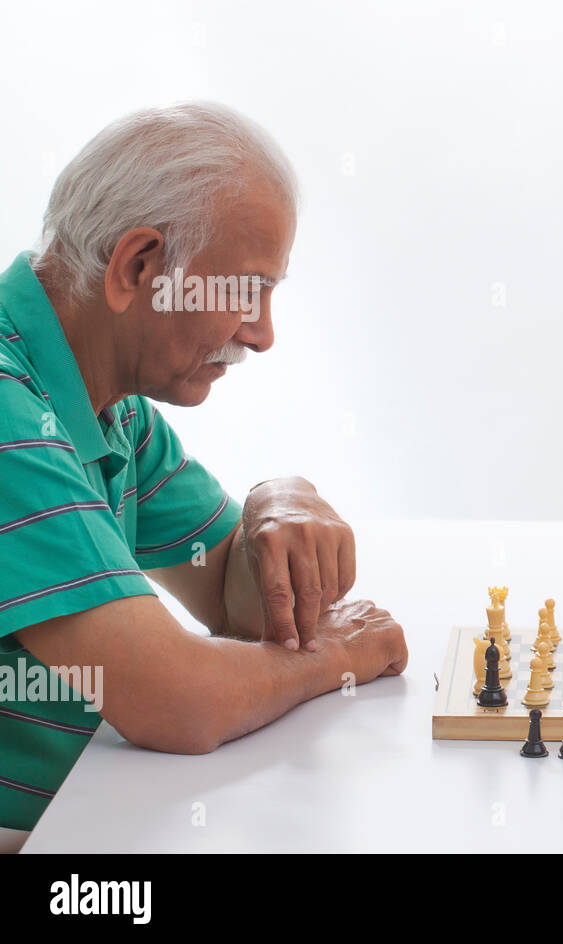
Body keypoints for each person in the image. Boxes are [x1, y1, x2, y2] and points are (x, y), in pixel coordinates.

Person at [0, 103, 407, 852]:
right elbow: (178, 701)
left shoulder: (108, 404)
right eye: (245, 290)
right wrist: (340, 657)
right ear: (139, 267)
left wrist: (272, 500)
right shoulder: (8, 409)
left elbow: (238, 601)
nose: (263, 333)